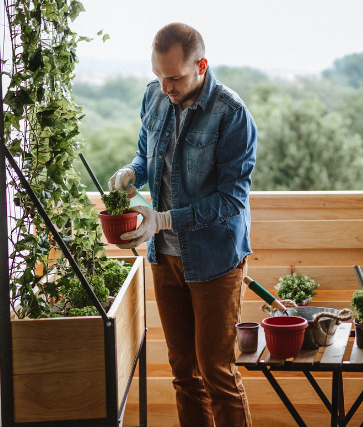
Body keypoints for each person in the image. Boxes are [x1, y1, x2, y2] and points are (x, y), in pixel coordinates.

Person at [107, 22, 257, 426]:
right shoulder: (154, 98)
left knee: (216, 373)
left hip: (214, 260)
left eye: (174, 77)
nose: (165, 87)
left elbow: (231, 199)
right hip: (165, 257)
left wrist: (165, 219)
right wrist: (131, 173)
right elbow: (145, 156)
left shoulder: (232, 114)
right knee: (183, 374)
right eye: (158, 76)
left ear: (202, 66)